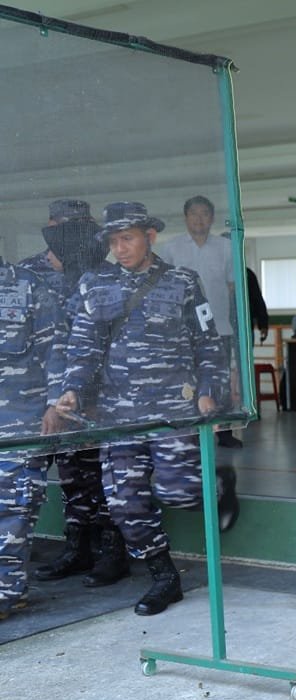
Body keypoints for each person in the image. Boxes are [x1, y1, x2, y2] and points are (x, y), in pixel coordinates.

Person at [55, 201, 240, 615]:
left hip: (171, 408)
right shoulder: (93, 284)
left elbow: (209, 341)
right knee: (125, 502)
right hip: (118, 414)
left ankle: (218, 483)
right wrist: (72, 390)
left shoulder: (183, 282)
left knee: (180, 491)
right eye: (113, 241)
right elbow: (82, 348)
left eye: (128, 238)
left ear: (150, 237)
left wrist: (210, 389)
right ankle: (164, 577)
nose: (119, 248)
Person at [18, 200, 130, 588]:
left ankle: (112, 553)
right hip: (47, 393)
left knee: (103, 473)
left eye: (82, 227)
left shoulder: (106, 273)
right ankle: (78, 548)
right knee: (70, 476)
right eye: (66, 226)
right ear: (51, 227)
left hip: (95, 392)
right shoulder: (28, 273)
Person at [0, 260, 67, 620]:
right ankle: (13, 590)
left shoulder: (28, 286)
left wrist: (54, 405)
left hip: (20, 422)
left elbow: (55, 349)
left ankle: (4, 594)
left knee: (12, 509)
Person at [159, 196, 243, 447]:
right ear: (186, 218)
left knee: (221, 380)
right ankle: (190, 430)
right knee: (187, 378)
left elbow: (230, 285)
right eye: (194, 213)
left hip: (220, 327)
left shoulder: (226, 248)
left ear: (212, 217)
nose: (199, 218)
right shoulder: (171, 248)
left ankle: (224, 431)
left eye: (204, 213)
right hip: (183, 332)